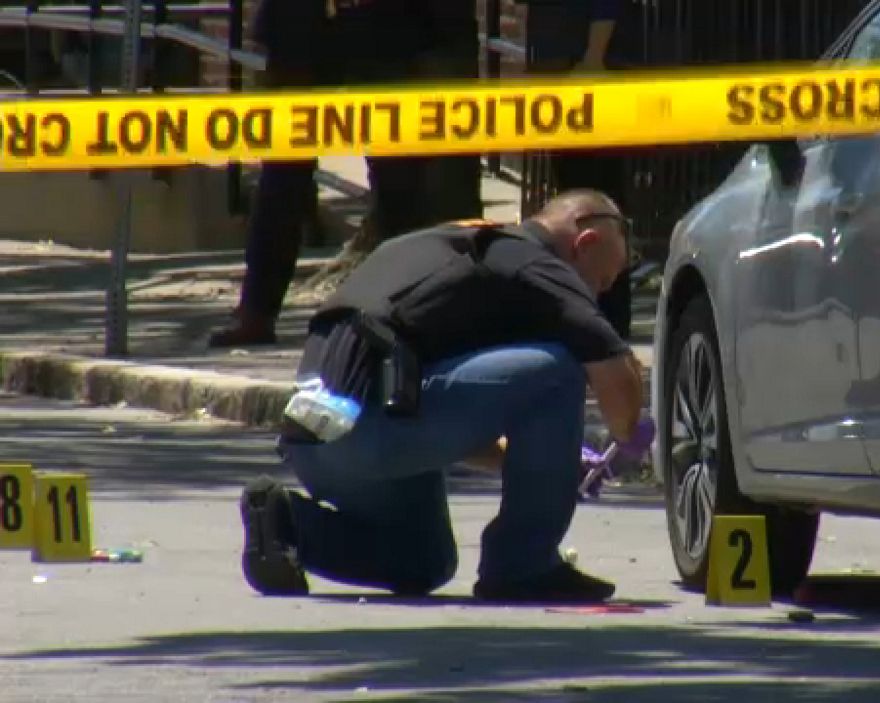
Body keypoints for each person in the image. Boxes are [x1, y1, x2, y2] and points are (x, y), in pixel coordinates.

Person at [238, 189, 654, 603]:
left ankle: (286, 523)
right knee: (558, 371)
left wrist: (549, 458)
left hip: (315, 438)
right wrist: (629, 434)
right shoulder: (533, 260)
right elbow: (614, 375)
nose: (598, 295)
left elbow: (448, 417)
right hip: (369, 427)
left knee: (424, 559)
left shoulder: (450, 249)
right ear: (585, 243)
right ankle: (524, 565)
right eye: (602, 281)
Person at [208, 0, 484, 348]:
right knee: (283, 172)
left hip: (385, 27)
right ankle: (257, 310)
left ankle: (397, 309)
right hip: (301, 27)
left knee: (398, 176)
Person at [522, 0, 635, 340]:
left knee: (594, 205)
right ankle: (587, 317)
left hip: (584, 73)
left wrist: (593, 58)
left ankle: (607, 323)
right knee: (575, 197)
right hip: (564, 73)